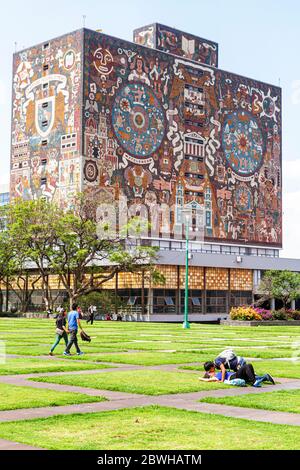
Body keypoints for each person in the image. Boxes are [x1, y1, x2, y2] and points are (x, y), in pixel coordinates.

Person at [202, 361, 275, 387]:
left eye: (210, 371)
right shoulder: (215, 378)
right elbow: (207, 380)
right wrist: (202, 378)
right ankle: (254, 382)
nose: (212, 372)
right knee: (248, 366)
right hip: (234, 377)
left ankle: (265, 377)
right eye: (210, 373)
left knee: (249, 373)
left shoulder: (217, 373)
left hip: (236, 375)